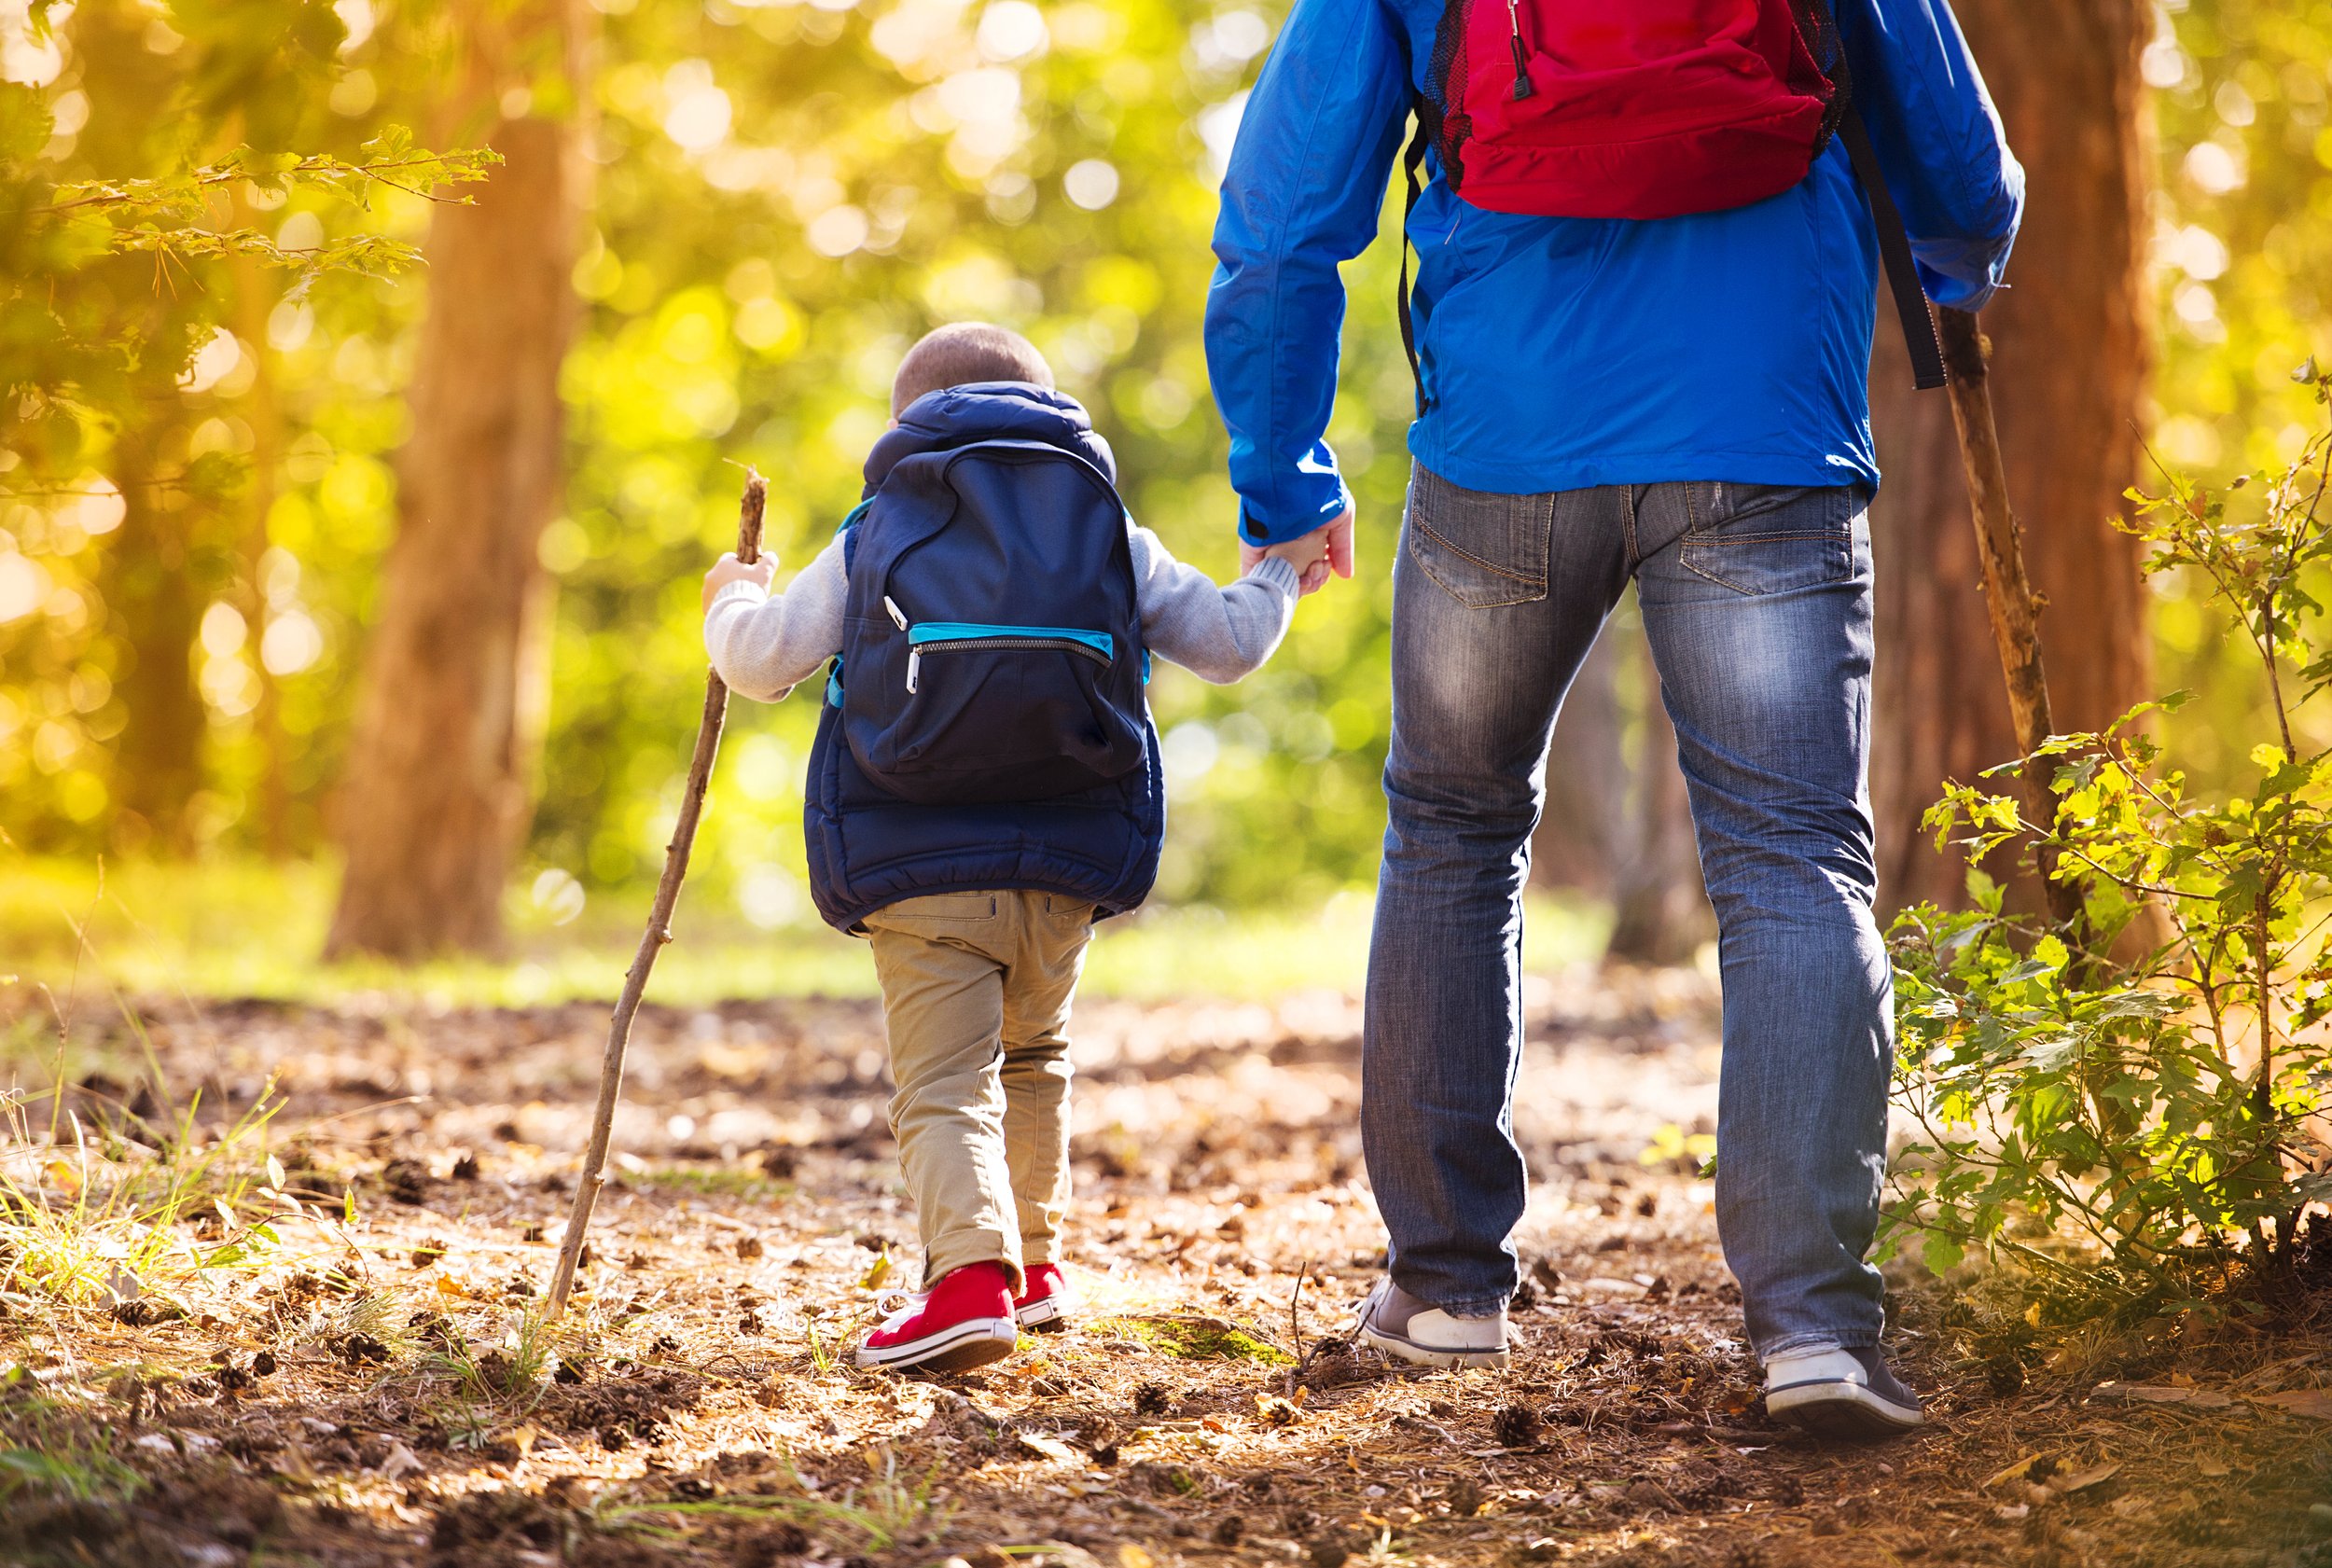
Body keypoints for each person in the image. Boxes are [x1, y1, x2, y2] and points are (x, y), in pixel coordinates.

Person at [1204, 0, 2023, 1436]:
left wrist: (1284, 473)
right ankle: (1815, 1328)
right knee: (1790, 860)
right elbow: (1964, 185)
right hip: (1763, 427)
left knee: (1453, 829)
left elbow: (1281, 219)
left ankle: (1447, 1286)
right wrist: (1953, 272)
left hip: (1503, 446)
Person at [701, 323, 1314, 1374]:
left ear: (906, 422)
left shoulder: (880, 524)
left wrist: (731, 597)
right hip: (1066, 858)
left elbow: (763, 664)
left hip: (914, 858)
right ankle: (1032, 1270)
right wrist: (1280, 573)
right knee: (1033, 1059)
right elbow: (1223, 643)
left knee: (944, 1083)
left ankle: (965, 1284)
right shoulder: (1103, 523)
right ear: (1050, 407)